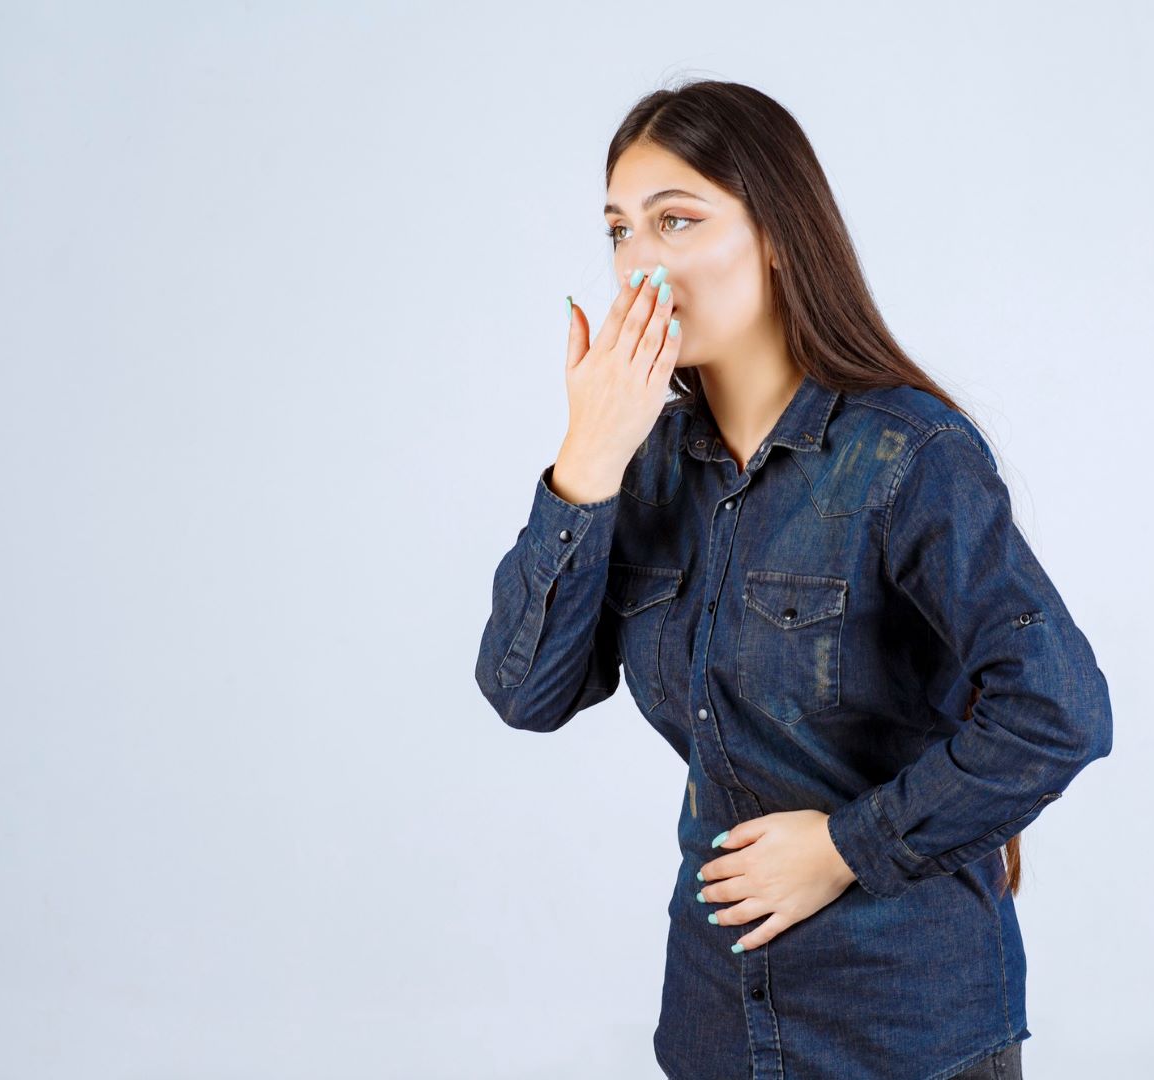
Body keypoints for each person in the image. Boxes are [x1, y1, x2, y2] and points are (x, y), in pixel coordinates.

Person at [474, 79, 1112, 1080]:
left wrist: (846, 848)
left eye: (676, 221)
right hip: (716, 1025)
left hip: (903, 1030)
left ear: (776, 235)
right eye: (618, 230)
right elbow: (526, 693)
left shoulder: (908, 455)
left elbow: (1059, 710)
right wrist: (585, 463)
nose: (637, 265)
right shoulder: (640, 466)